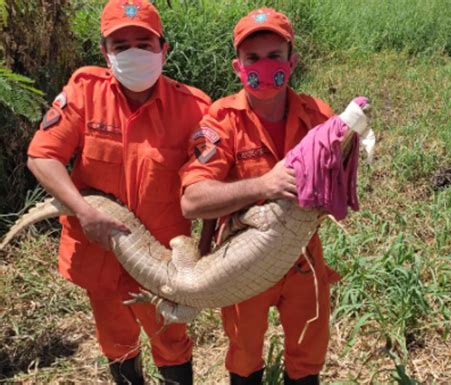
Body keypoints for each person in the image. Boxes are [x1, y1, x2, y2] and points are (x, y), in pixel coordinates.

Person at [26, 1, 210, 384]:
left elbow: (211, 183)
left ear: (164, 48)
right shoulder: (84, 91)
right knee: (117, 343)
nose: (133, 53)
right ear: (104, 51)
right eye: (120, 45)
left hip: (160, 261)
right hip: (100, 252)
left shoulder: (194, 108)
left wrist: (205, 255)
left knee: (172, 343)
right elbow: (42, 156)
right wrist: (83, 210)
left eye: (143, 43)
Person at [180, 8, 340, 385]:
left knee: (307, 357)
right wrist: (262, 185)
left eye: (274, 56)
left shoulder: (320, 117)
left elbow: (340, 191)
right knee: (244, 355)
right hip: (242, 261)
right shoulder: (221, 120)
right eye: (253, 58)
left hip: (303, 259)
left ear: (292, 60)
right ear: (238, 66)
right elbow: (193, 201)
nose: (264, 66)